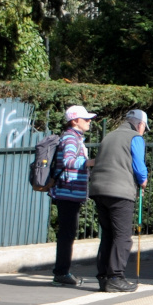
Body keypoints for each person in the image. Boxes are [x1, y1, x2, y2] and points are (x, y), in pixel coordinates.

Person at [88, 109, 148, 293]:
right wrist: (143, 181)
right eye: (144, 128)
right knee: (122, 236)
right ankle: (115, 276)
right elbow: (139, 165)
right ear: (140, 124)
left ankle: (104, 277)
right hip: (120, 191)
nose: (144, 132)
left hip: (98, 189)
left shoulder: (109, 136)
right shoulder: (135, 137)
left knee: (108, 234)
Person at [49, 105, 96, 286]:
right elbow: (68, 161)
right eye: (86, 119)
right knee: (67, 234)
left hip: (70, 192)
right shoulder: (70, 138)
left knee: (68, 233)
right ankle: (61, 273)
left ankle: (62, 272)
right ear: (75, 121)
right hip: (67, 192)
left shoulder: (74, 137)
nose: (89, 122)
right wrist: (91, 162)